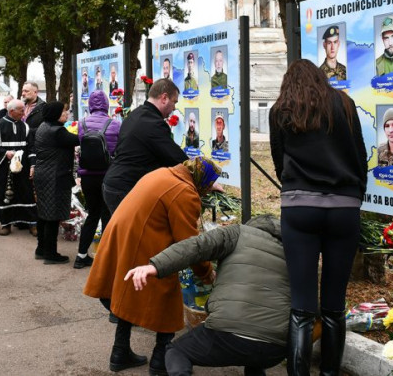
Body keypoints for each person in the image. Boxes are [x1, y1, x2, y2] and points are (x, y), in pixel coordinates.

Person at [269, 59, 367, 376]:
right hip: (344, 209)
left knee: (301, 308)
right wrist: (353, 196)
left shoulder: (280, 110)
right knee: (335, 307)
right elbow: (360, 155)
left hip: (299, 209)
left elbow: (278, 159)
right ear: (321, 79)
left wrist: (295, 187)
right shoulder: (345, 104)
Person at [84, 158, 220, 376]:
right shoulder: (184, 192)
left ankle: (120, 353)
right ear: (201, 182)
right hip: (142, 243)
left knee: (127, 292)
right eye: (208, 185)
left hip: (123, 239)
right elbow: (190, 245)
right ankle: (160, 359)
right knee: (167, 298)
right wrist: (206, 272)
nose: (206, 191)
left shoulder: (164, 174)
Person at [125, 215, 289, 376]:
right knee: (255, 360)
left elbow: (196, 246)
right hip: (275, 348)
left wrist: (155, 266)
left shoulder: (239, 232)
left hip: (227, 332)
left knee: (176, 352)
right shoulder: (293, 251)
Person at [101, 78, 187, 214]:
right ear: (164, 98)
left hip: (113, 184)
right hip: (125, 188)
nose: (174, 108)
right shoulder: (153, 123)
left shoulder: (136, 114)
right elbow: (175, 157)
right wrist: (204, 178)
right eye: (174, 102)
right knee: (136, 234)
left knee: (120, 233)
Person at [75, 89, 120, 269]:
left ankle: (81, 255)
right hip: (107, 175)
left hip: (87, 176)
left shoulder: (82, 123)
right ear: (107, 104)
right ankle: (107, 259)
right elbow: (119, 148)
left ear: (90, 105)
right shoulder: (115, 124)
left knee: (92, 214)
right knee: (107, 214)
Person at [30, 101, 79, 264]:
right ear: (56, 114)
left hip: (43, 174)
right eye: (64, 111)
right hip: (54, 176)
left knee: (44, 213)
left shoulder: (44, 126)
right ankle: (51, 254)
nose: (66, 114)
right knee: (52, 215)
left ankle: (41, 249)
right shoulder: (57, 131)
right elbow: (78, 139)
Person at [0, 99, 37, 236]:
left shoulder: (25, 126)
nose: (23, 112)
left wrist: (32, 164)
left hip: (23, 167)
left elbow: (31, 147)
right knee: (5, 193)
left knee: (26, 193)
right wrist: (5, 153)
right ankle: (5, 224)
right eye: (21, 110)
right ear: (12, 111)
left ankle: (31, 223)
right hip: (3, 167)